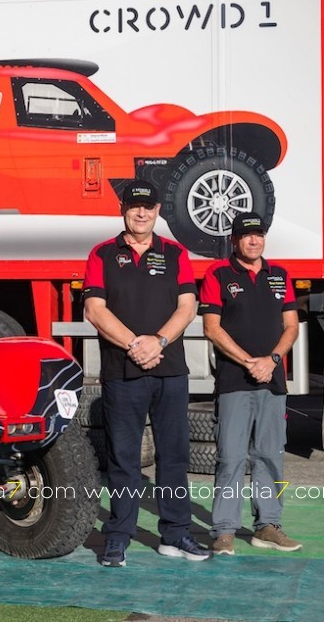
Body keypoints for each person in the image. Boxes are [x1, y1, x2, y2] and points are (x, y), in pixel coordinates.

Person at [83, 179, 208, 567]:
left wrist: (159, 341)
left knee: (173, 457)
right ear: (124, 210)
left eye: (148, 207)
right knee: (124, 459)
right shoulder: (103, 253)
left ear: (157, 211)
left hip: (170, 370)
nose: (142, 213)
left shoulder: (175, 252)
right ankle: (118, 537)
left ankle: (175, 534)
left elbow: (188, 307)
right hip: (122, 372)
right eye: (135, 207)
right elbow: (95, 311)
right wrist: (136, 345)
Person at [199, 211, 302, 555]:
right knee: (230, 457)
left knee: (270, 455)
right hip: (234, 381)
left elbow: (291, 327)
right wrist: (248, 362)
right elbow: (211, 328)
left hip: (271, 383)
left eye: (259, 234)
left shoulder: (280, 276)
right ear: (235, 240)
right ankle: (225, 530)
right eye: (247, 235)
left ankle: (268, 525)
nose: (254, 240)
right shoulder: (218, 273)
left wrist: (271, 361)